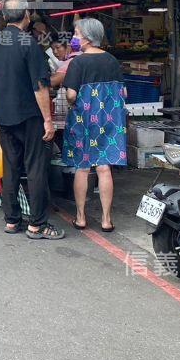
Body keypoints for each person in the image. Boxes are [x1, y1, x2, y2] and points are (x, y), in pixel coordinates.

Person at [0, 0, 64, 240]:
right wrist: (48, 120)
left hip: (2, 115)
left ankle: (12, 220)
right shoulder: (29, 44)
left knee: (11, 166)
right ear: (26, 16)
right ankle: (37, 224)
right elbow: (40, 87)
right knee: (35, 168)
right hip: (28, 116)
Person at [62, 17, 128, 233]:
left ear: (88, 38)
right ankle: (106, 220)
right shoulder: (112, 60)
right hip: (110, 121)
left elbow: (71, 95)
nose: (74, 38)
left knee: (82, 168)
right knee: (104, 167)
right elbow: (123, 92)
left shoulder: (78, 62)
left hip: (84, 120)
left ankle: (81, 218)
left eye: (77, 34)